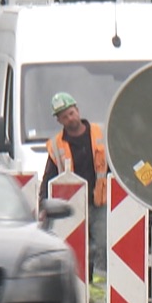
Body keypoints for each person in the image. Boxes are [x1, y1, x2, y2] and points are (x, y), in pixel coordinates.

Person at [40, 91, 108, 277]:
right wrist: (43, 204)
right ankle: (80, 284)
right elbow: (49, 178)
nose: (70, 118)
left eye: (71, 113)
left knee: (103, 245)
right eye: (65, 117)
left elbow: (119, 159)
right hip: (73, 205)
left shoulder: (101, 133)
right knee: (76, 248)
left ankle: (99, 287)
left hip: (100, 202)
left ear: (77, 110)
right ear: (59, 121)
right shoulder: (56, 145)